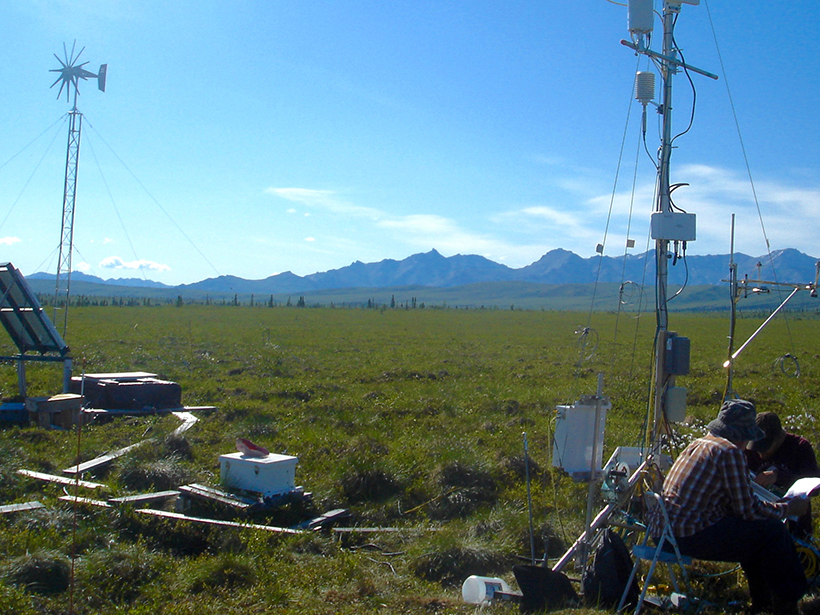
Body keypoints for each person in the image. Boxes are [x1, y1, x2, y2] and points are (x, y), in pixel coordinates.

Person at [650, 399, 809, 615]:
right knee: (772, 532)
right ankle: (789, 602)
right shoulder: (729, 452)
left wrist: (771, 507)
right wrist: (788, 509)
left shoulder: (698, 444)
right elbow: (749, 510)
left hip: (665, 533)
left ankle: (763, 603)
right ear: (742, 436)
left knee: (753, 534)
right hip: (689, 535)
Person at [746, 411, 819, 537]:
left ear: (779, 437)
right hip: (759, 523)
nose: (760, 455)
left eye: (765, 448)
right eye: (757, 448)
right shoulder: (749, 452)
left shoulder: (800, 447)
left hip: (796, 525)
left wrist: (779, 476)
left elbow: (815, 485)